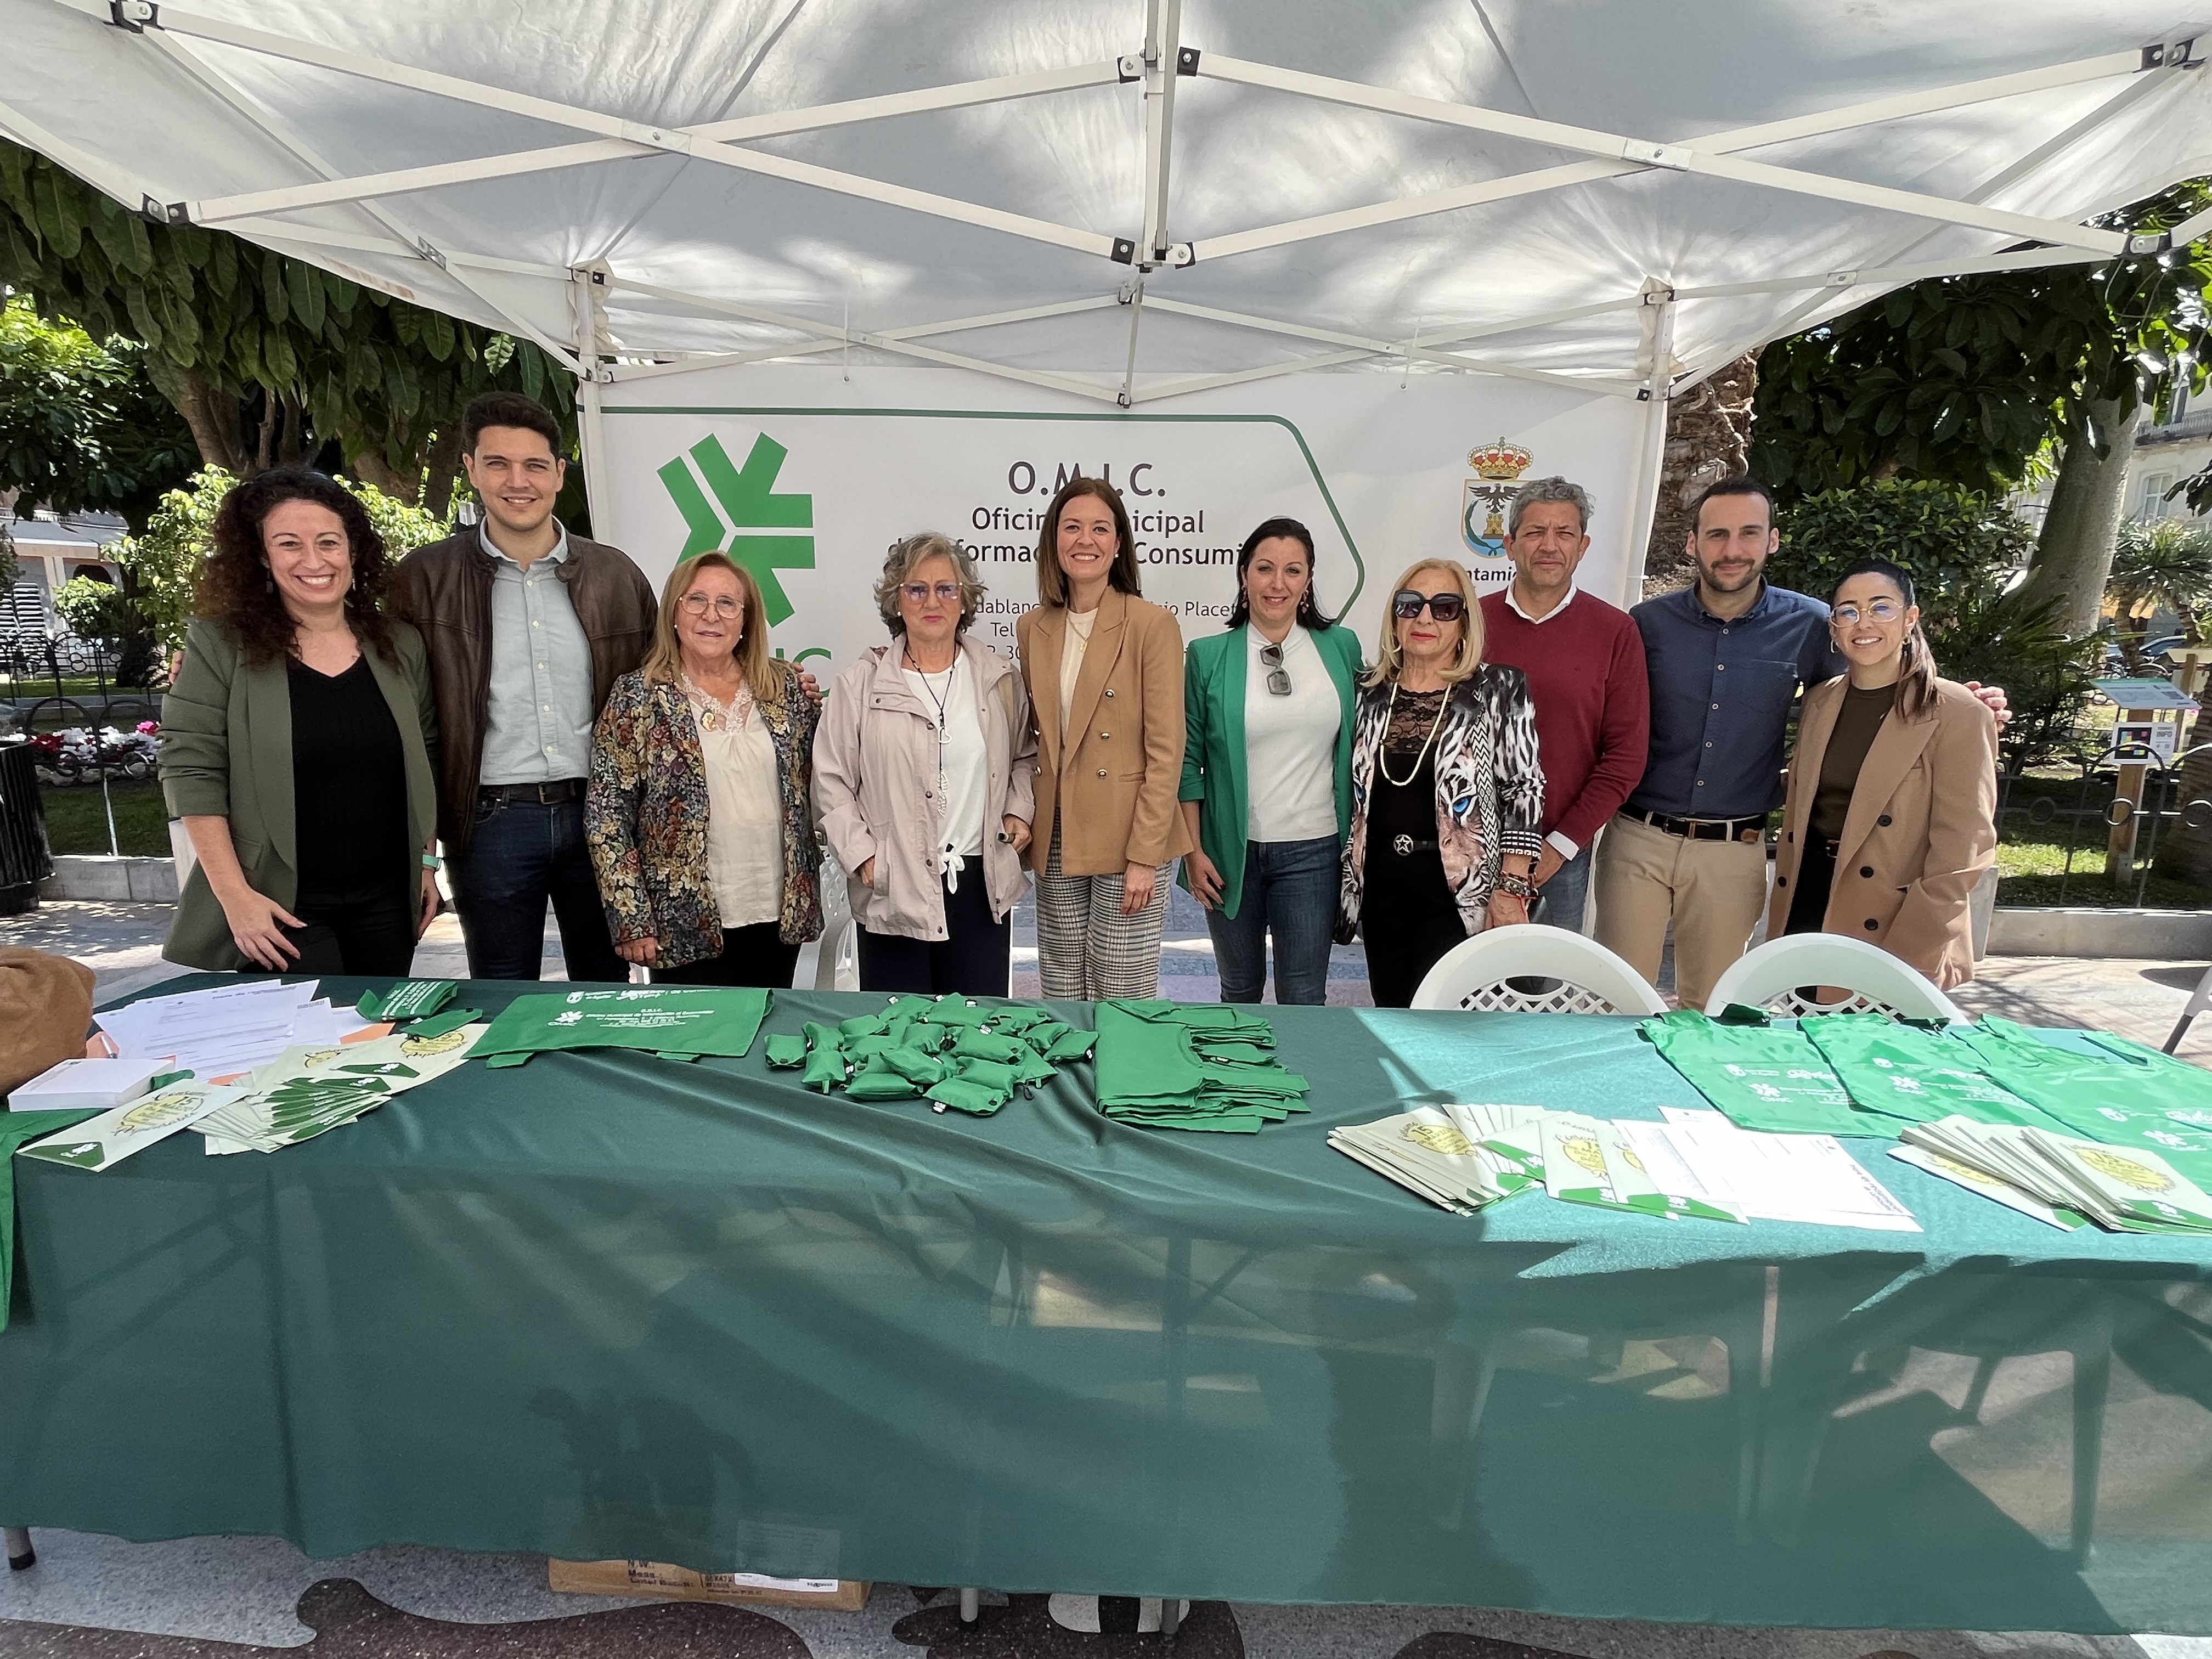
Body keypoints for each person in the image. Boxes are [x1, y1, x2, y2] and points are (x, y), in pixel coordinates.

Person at [1595, 476, 2007, 1011]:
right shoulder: (1646, 625)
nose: (1733, 549)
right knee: (1617, 1003)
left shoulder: (1812, 624)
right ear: (1692, 542)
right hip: (1639, 837)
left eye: (1749, 533)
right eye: (1718, 535)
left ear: (1773, 540)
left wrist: (1955, 702)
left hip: (1734, 848)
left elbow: (1876, 691)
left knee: (1714, 1010)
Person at [390, 390, 656, 984]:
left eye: (535, 465)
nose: (519, 482)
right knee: (502, 993)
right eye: (498, 464)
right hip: (489, 823)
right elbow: (400, 718)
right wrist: (423, 850)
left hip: (601, 816)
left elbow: (667, 683)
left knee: (606, 994)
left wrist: (773, 683)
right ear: (470, 470)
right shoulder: (422, 580)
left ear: (560, 474)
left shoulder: (616, 575)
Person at [160, 469, 440, 974]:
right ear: (262, 557)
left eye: (328, 542)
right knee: (309, 1048)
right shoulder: (220, 647)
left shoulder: (399, 645)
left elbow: (424, 754)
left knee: (376, 1040)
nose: (314, 561)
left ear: (353, 550)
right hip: (278, 903)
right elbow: (191, 773)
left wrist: (425, 863)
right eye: (290, 544)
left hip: (386, 902)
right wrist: (235, 898)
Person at [813, 534, 1037, 995]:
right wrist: (866, 860)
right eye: (917, 589)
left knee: (977, 1039)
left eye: (946, 589)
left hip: (981, 886)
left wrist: (1018, 811)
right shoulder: (861, 686)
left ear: (964, 599)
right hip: (894, 886)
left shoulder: (999, 680)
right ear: (897, 600)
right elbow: (830, 784)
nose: (932, 601)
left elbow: (1024, 758)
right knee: (900, 1041)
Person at [585, 554, 821, 986]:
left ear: (746, 620)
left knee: (768, 1037)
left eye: (727, 603)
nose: (711, 615)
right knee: (693, 1047)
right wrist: (632, 918)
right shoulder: (637, 697)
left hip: (777, 910)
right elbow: (607, 817)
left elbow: (821, 782)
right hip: (681, 919)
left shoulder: (786, 690)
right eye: (696, 600)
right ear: (674, 612)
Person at [1769, 560, 1997, 987]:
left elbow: (1963, 851)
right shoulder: (1820, 702)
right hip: (1811, 897)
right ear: (1834, 627)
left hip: (1895, 918)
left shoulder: (1959, 713)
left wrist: (1914, 951)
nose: (1864, 623)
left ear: (1911, 618)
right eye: (1849, 611)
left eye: (1881, 608)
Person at [1336, 558, 1544, 1008]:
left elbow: (1524, 789)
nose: (1425, 618)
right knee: (1391, 1015)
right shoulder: (1366, 692)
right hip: (1382, 890)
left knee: (1440, 1021)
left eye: (1444, 607)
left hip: (1457, 893)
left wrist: (1512, 888)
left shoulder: (1499, 689)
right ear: (1394, 618)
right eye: (1410, 605)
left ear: (1464, 622)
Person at [1016, 476, 1192, 1000]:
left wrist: (1146, 855)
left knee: (1120, 993)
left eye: (1099, 528)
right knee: (1062, 989)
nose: (1084, 540)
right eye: (1071, 527)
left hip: (1131, 833)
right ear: (1054, 541)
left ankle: (1123, 1086)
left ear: (1119, 545)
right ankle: (1070, 1085)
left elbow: (1166, 752)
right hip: (1057, 833)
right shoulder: (1033, 627)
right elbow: (1036, 739)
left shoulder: (1151, 624)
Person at [1178, 517, 1363, 1003]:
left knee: (1304, 995)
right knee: (1238, 991)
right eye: (1264, 568)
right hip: (1228, 854)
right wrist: (1193, 851)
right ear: (1244, 575)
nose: (1277, 583)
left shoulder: (1341, 648)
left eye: (1293, 571)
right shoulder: (1207, 655)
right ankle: (1237, 1080)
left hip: (1314, 852)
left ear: (1308, 580)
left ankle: (1304, 1080)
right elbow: (1188, 762)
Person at [1479, 477, 1649, 934]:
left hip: (1560, 858)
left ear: (1583, 546)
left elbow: (1625, 756)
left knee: (1546, 996)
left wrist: (1560, 847)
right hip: (1467, 849)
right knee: (1454, 994)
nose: (1549, 546)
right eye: (1535, 533)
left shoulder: (1615, 632)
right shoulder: (1470, 623)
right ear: (1510, 545)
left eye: (1564, 533)